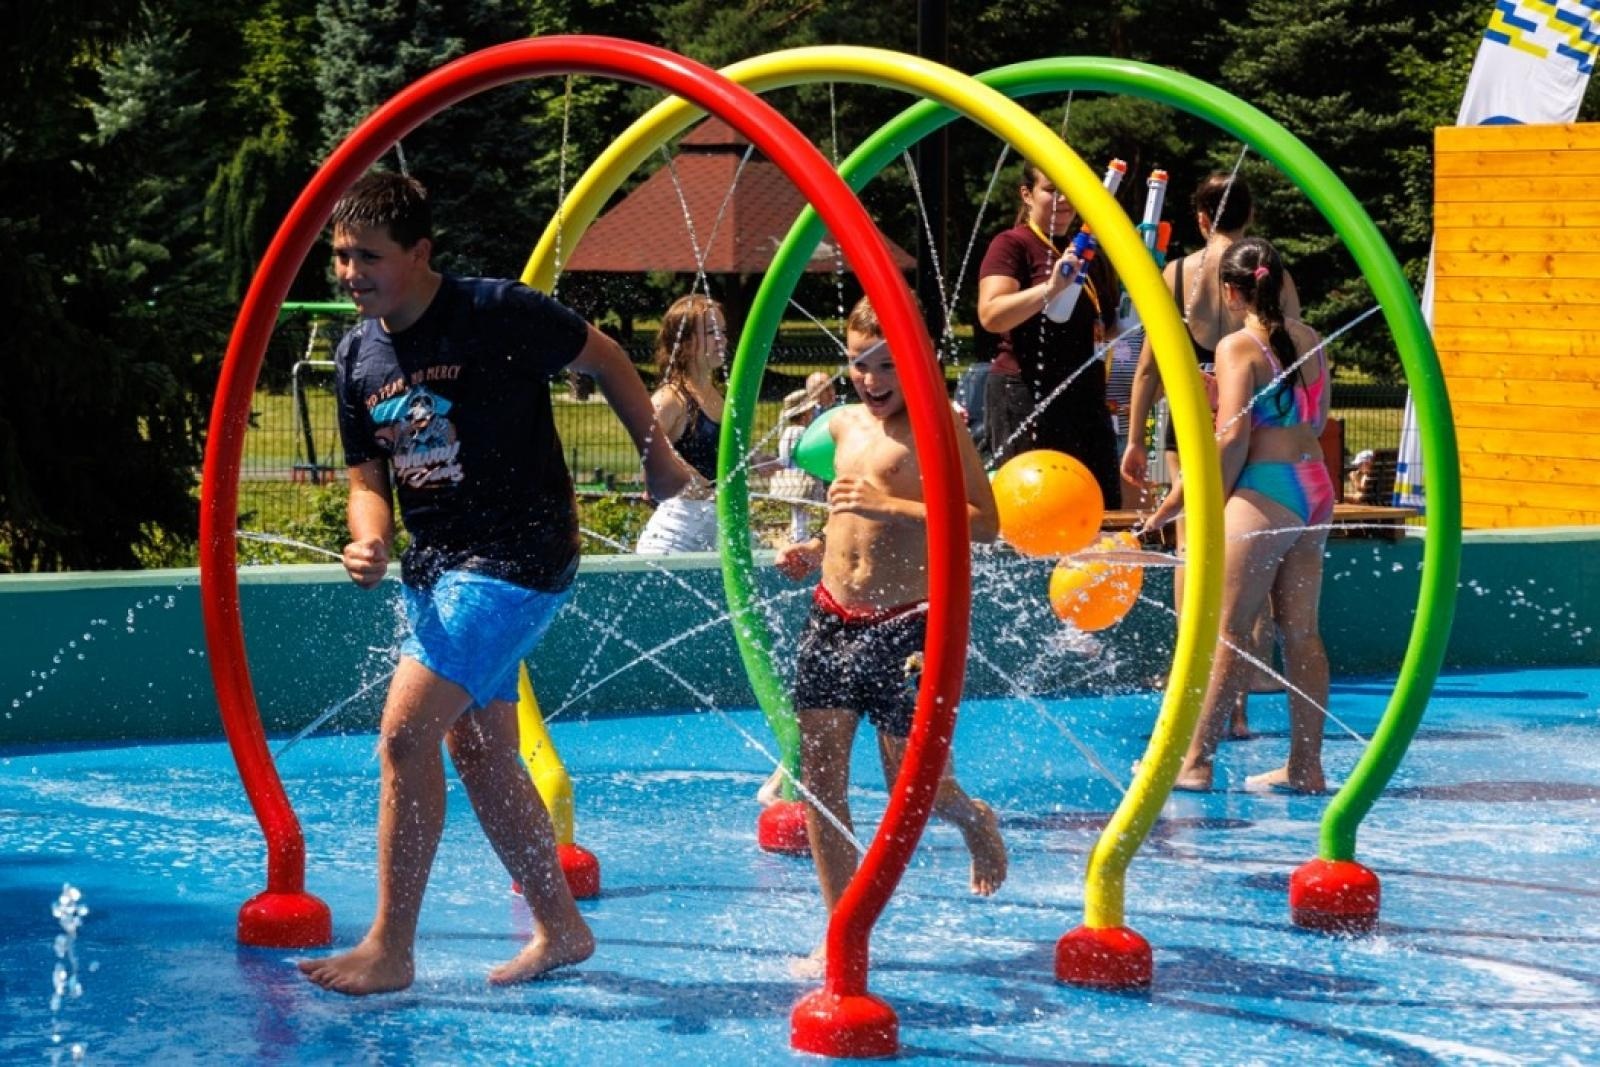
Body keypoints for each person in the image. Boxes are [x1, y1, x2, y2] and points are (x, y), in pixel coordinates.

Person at [299, 171, 702, 995]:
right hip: (437, 568)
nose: (350, 274)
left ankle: (390, 946)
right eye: (340, 258)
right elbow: (367, 475)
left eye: (367, 257)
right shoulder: (355, 354)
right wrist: (368, 538)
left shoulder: (494, 312)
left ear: (418, 253)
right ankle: (561, 927)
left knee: (405, 735)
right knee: (477, 749)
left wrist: (655, 451)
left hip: (519, 554)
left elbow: (608, 355)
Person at [775, 297, 1008, 969]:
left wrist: (892, 504)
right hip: (831, 615)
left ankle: (973, 819)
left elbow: (983, 522)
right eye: (859, 363)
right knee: (820, 778)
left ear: (918, 361)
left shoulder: (940, 429)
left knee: (919, 786)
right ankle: (840, 930)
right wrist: (816, 548)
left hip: (907, 626)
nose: (871, 379)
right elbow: (852, 523)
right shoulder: (843, 425)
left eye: (887, 365)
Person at [1137, 237, 1333, 794]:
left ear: (1230, 290)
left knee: (1227, 633)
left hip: (1265, 490)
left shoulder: (1237, 346)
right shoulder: (1313, 339)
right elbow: (1312, 423)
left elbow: (1233, 439)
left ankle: (1195, 762)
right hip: (1314, 486)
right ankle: (1305, 766)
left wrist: (1192, 505)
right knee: (1302, 633)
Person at [1122, 174, 1300, 732]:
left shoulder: (1174, 275)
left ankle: (1191, 678)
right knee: (1244, 562)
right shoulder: (1267, 272)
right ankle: (1238, 702)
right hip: (1257, 426)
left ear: (1200, 218)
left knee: (1191, 548)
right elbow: (1290, 350)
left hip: (1193, 426)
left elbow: (1149, 365)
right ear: (1249, 217)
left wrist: (1132, 438)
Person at [976, 161, 1121, 506]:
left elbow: (1105, 323)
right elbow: (991, 314)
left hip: (1085, 396)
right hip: (1025, 392)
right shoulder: (1012, 244)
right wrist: (1051, 289)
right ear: (1026, 194)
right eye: (1051, 190)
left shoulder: (1087, 252)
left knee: (1099, 503)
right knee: (1034, 507)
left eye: (1069, 192)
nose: (1063, 201)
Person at [636, 294, 728, 554]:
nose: (721, 339)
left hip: (716, 525)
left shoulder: (719, 397)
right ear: (685, 342)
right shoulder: (670, 399)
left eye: (722, 331)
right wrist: (685, 473)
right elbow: (647, 465)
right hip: (675, 533)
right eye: (711, 332)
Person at [771, 371, 833, 544]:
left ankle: (801, 536)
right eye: (812, 411)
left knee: (801, 512)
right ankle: (800, 538)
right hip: (800, 477)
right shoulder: (799, 432)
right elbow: (791, 457)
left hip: (799, 478)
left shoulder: (790, 431)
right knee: (801, 512)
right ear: (805, 414)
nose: (814, 413)